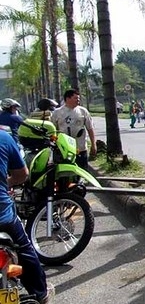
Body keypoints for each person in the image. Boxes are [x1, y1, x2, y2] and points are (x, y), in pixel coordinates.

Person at [0, 129, 53, 303]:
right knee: (24, 249)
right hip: (3, 217)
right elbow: (22, 175)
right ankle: (40, 293)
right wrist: (7, 182)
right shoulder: (4, 137)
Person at [50, 89, 96, 170]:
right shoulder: (57, 113)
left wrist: (93, 144)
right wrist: (55, 142)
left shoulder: (83, 111)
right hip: (63, 150)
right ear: (67, 99)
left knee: (82, 171)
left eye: (78, 98)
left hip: (80, 149)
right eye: (75, 98)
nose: (78, 100)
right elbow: (53, 131)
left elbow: (90, 128)